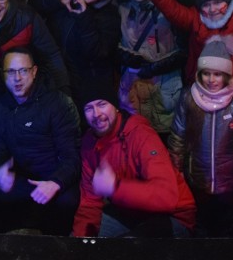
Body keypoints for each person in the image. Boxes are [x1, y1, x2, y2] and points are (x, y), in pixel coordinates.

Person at [0, 48, 81, 235]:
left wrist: (55, 182)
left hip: (52, 177)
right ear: (3, 73)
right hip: (22, 178)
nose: (17, 78)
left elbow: (71, 156)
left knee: (67, 202)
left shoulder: (57, 103)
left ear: (34, 71)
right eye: (11, 72)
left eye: (23, 70)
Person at [72, 84, 196, 237]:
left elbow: (166, 196)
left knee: (128, 249)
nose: (96, 114)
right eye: (88, 108)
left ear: (116, 107)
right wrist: (80, 242)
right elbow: (89, 201)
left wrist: (115, 187)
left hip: (171, 215)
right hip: (128, 212)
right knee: (85, 241)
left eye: (102, 104)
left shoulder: (140, 135)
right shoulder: (89, 143)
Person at [168, 36, 233, 236]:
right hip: (198, 177)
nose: (211, 80)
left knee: (230, 224)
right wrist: (175, 172)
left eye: (218, 74)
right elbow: (178, 137)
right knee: (203, 223)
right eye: (207, 74)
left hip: (230, 179)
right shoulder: (189, 98)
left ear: (227, 75)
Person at [31, 0, 120, 111]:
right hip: (58, 78)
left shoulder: (109, 16)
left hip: (87, 88)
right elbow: (33, 5)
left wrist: (84, 17)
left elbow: (97, 52)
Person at [117, 0, 184, 138]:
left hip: (164, 85)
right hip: (134, 85)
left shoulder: (167, 8)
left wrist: (159, 65)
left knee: (165, 135)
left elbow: (183, 45)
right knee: (137, 137)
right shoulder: (122, 11)